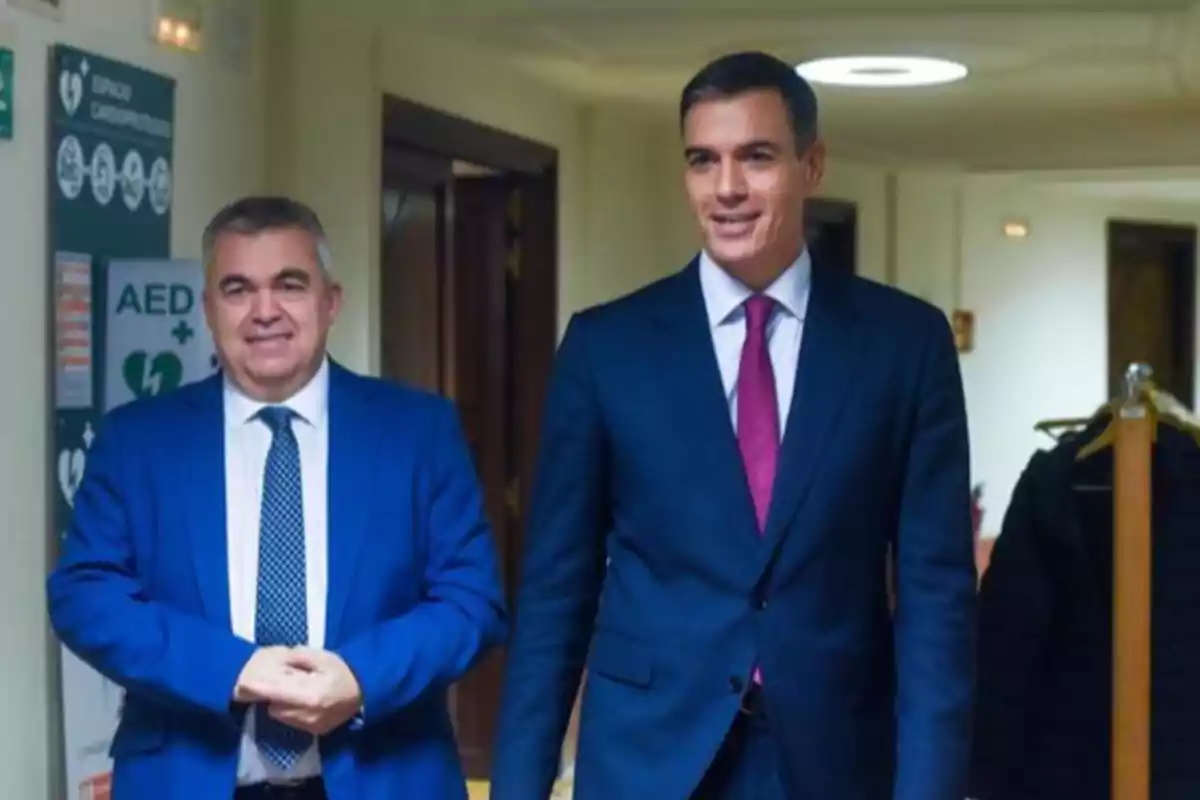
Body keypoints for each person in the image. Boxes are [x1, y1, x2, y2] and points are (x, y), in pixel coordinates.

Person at [490, 51, 976, 800]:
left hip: (836, 758)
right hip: (649, 759)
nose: (727, 189)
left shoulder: (903, 345)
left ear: (811, 166)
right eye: (702, 161)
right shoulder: (606, 348)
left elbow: (937, 600)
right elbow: (557, 591)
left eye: (756, 157)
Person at [47, 196, 506, 799]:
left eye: (289, 285)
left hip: (384, 778)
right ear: (209, 309)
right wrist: (232, 670)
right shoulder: (138, 441)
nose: (265, 311)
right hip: (188, 780)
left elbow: (472, 602)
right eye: (238, 289)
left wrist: (360, 678)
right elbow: (86, 597)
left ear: (331, 301)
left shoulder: (418, 433)